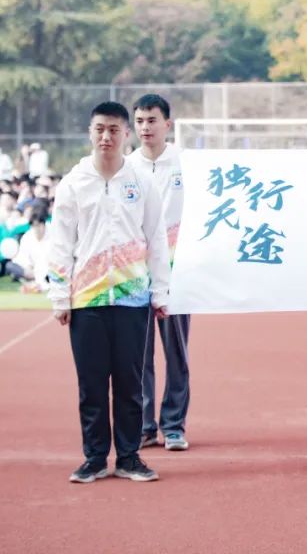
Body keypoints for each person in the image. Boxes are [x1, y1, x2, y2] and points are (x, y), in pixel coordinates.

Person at [46, 101, 171, 484]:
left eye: (114, 130)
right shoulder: (73, 183)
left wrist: (160, 291)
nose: (106, 137)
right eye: (100, 129)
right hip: (88, 299)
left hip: (133, 298)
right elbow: (60, 243)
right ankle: (95, 457)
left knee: (131, 384)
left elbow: (156, 239)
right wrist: (60, 296)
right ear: (90, 132)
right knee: (92, 384)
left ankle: (130, 456)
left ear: (126, 134)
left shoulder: (141, 182)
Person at [128, 94, 191, 452]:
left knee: (176, 352)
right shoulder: (126, 167)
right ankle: (144, 425)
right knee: (139, 354)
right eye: (139, 121)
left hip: (178, 273)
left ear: (168, 123)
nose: (145, 127)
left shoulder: (187, 164)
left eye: (152, 120)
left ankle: (174, 425)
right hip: (137, 272)